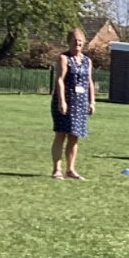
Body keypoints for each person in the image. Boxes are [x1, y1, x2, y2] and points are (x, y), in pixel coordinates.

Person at [48, 27, 94, 180]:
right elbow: (60, 80)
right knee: (61, 134)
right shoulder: (64, 58)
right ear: (68, 42)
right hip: (65, 101)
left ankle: (70, 169)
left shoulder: (87, 61)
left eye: (80, 41)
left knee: (74, 136)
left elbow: (89, 81)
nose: (77, 43)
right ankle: (57, 169)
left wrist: (92, 102)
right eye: (74, 40)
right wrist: (62, 101)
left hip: (80, 102)